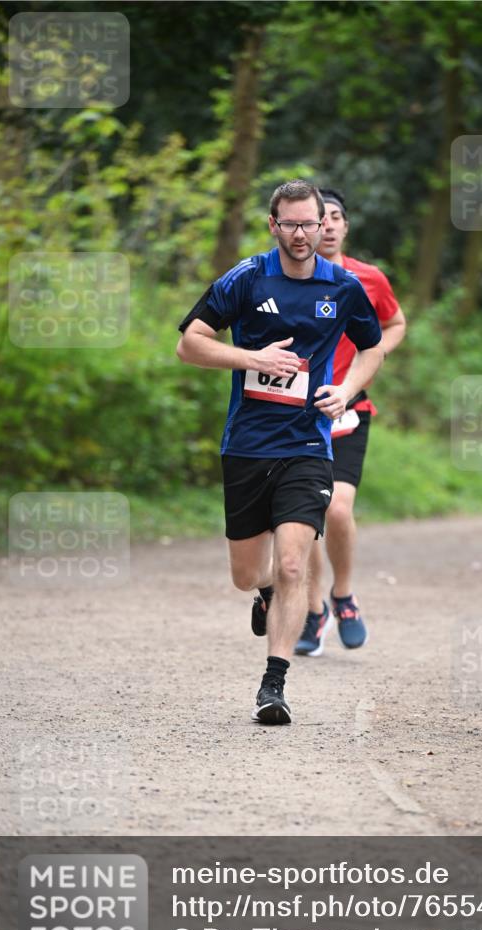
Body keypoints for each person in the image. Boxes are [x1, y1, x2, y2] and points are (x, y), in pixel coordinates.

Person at [176, 180, 383, 724]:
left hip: (308, 444)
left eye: (309, 223)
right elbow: (189, 343)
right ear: (273, 225)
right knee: (247, 574)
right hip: (248, 444)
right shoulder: (247, 278)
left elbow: (373, 347)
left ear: (323, 225)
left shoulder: (342, 286)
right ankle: (262, 590)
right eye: (289, 224)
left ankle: (274, 684)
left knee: (293, 561)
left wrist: (347, 390)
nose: (300, 233)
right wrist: (252, 358)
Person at [294, 188, 406, 656]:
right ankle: (314, 610)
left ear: (345, 225)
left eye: (337, 216)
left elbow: (395, 324)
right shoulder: (288, 278)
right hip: (297, 412)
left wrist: (372, 356)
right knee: (305, 517)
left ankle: (343, 596)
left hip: (350, 410)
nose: (330, 225)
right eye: (322, 218)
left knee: (337, 509)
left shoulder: (368, 278)